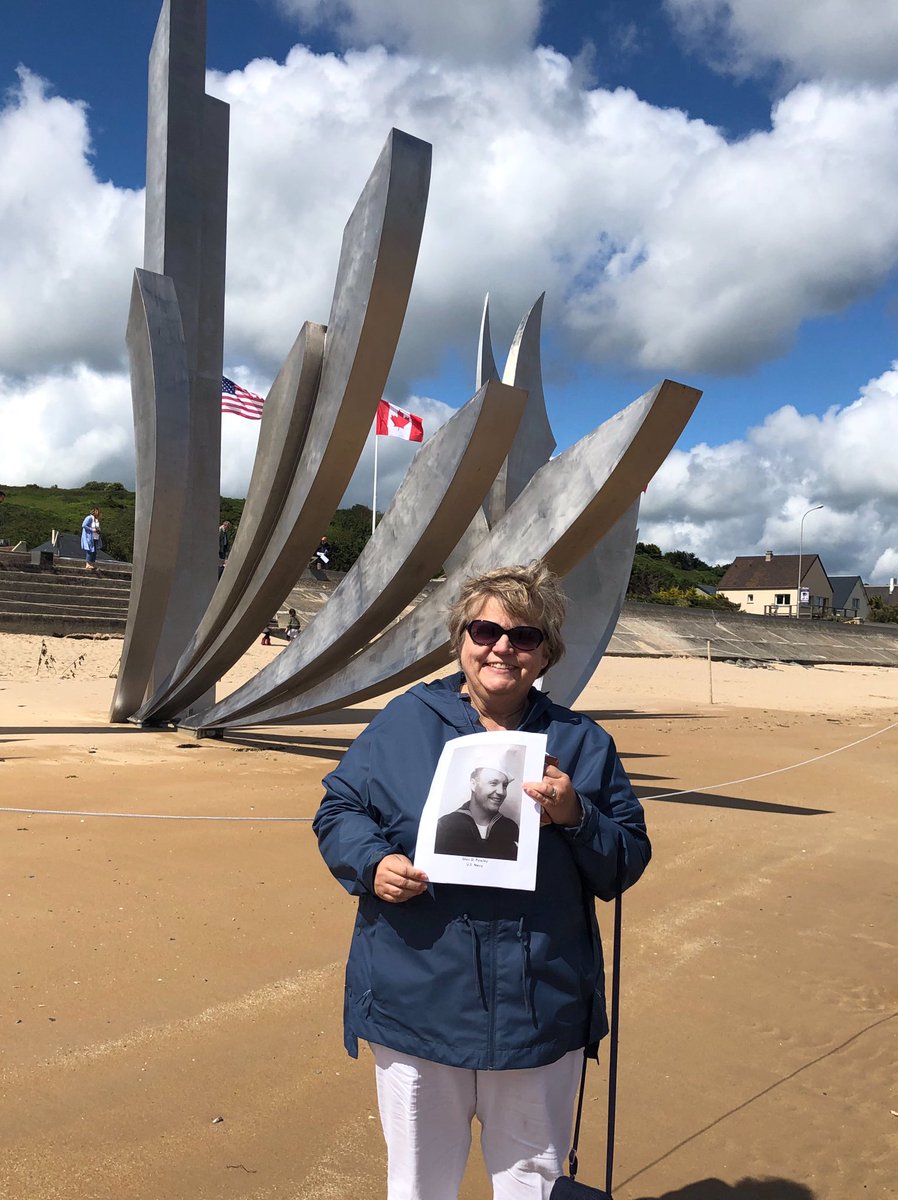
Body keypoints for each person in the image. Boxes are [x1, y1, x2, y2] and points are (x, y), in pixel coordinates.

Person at [314, 561, 651, 1200]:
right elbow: (339, 810)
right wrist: (373, 864)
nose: (502, 647)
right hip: (418, 1002)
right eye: (485, 630)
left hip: (538, 1010)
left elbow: (625, 861)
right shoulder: (404, 721)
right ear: (460, 640)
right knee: (419, 1185)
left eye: (524, 637)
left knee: (533, 1184)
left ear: (547, 653)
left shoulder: (583, 743)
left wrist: (575, 815)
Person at [434, 766, 518, 859]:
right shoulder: (445, 826)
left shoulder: (510, 828)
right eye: (493, 783)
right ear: (473, 784)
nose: (501, 792)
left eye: (504, 786)